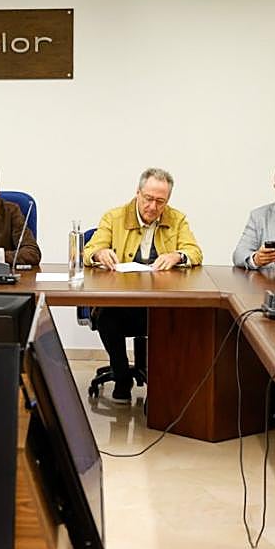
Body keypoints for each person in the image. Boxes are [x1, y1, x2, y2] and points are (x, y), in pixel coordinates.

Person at [82, 168, 203, 403]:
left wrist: (178, 255)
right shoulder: (114, 217)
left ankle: (165, 382)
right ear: (137, 193)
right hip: (121, 302)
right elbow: (89, 250)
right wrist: (100, 253)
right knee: (106, 317)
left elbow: (194, 251)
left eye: (160, 202)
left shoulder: (177, 219)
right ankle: (121, 375)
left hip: (160, 301)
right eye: (148, 199)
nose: (153, 207)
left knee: (180, 318)